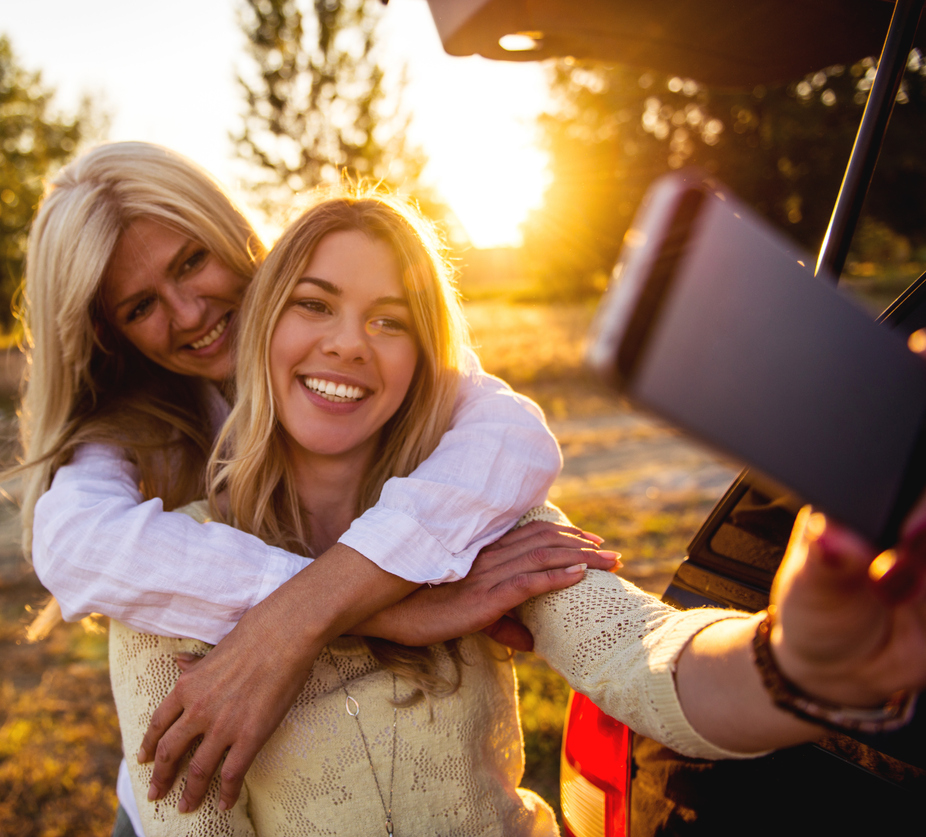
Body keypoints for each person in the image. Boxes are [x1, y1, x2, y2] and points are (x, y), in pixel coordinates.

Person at [117, 195, 926, 835]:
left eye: (390, 319)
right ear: (262, 326)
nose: (350, 343)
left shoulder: (483, 520)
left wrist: (793, 661)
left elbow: (645, 657)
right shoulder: (167, 575)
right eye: (314, 304)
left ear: (423, 360)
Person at [15, 143, 619, 831]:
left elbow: (511, 436)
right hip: (181, 795)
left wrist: (304, 612)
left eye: (191, 262)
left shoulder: (332, 317)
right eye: (141, 305)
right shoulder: (130, 428)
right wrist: (376, 610)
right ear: (109, 332)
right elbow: (71, 544)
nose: (187, 312)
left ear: (231, 233)